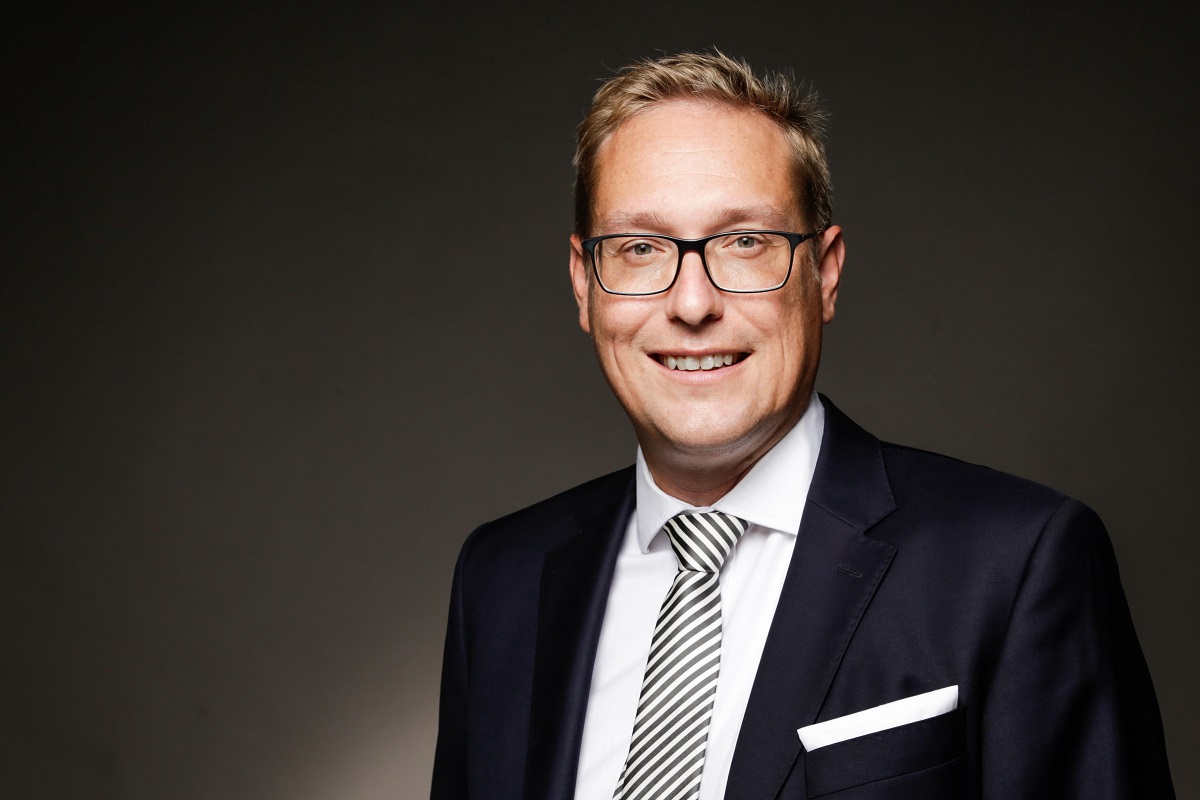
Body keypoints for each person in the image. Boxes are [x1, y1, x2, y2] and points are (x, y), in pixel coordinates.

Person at [429, 51, 1174, 799]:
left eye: (745, 241)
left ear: (826, 274)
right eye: (640, 248)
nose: (692, 304)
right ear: (585, 286)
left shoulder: (1016, 563)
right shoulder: (501, 580)